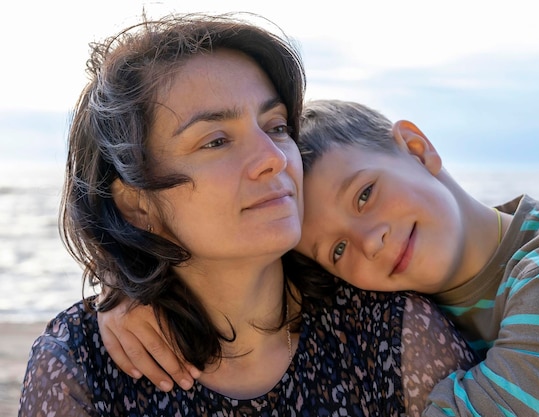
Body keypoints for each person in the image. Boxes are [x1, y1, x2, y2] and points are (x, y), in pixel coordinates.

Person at [18, 13, 476, 416]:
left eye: (276, 126)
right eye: (216, 140)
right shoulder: (83, 364)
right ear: (138, 205)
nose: (273, 157)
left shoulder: (392, 329)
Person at [107, 98, 539, 416]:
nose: (367, 241)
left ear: (416, 148)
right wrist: (129, 293)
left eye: (364, 194)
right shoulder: (402, 285)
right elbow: (243, 278)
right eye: (336, 249)